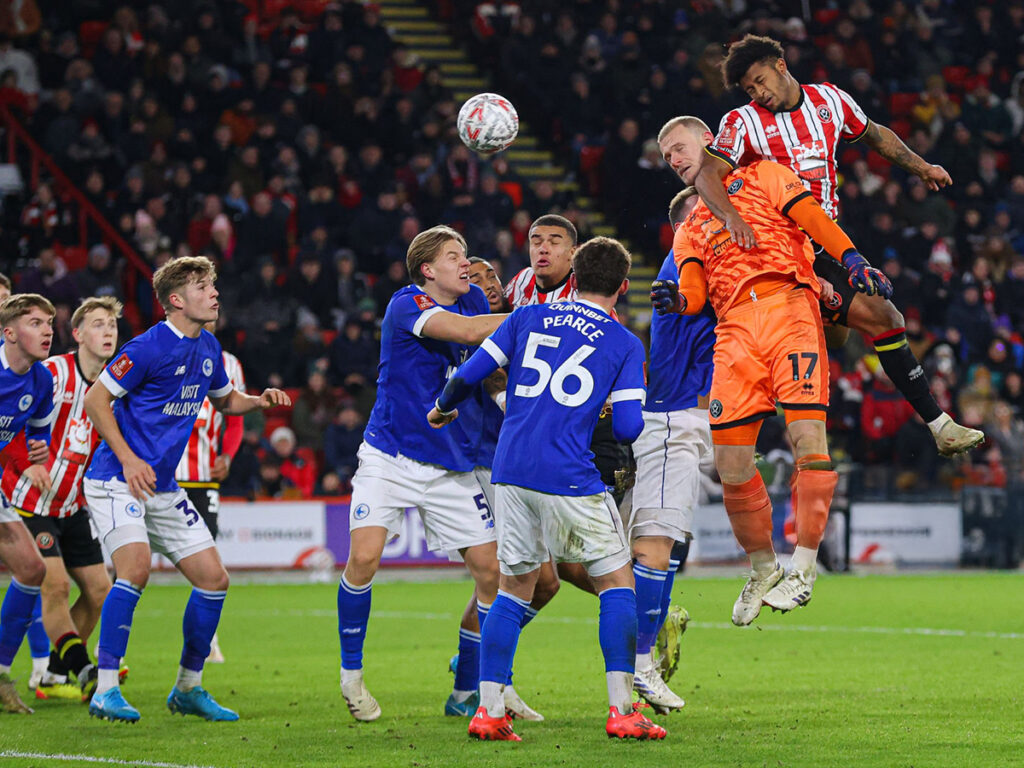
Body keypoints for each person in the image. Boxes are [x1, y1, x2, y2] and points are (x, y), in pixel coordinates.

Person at [693, 34, 982, 457]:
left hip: (825, 240)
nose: (759, 93)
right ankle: (938, 424)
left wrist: (922, 167)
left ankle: (937, 428)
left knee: (845, 335)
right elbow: (706, 174)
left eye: (760, 81)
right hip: (778, 249)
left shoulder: (831, 100)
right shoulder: (743, 121)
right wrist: (732, 218)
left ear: (780, 65)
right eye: (750, 89)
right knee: (878, 318)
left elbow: (876, 135)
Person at [428, 236, 665, 742]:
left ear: (574, 277)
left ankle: (488, 711)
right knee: (616, 584)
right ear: (623, 287)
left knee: (513, 588)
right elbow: (627, 428)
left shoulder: (526, 317)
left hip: (510, 471)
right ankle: (623, 710)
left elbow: (469, 374)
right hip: (570, 473)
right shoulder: (624, 343)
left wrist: (443, 406)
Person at [654, 116, 888, 622]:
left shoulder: (763, 175)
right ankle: (764, 568)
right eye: (666, 156)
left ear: (709, 141)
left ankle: (803, 568)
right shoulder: (688, 231)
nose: (673, 159)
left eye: (678, 147)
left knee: (808, 439)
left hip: (790, 310)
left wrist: (851, 258)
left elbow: (814, 219)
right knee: (731, 464)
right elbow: (694, 292)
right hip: (735, 332)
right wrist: (677, 300)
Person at [82, 256, 290, 723]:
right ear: (176, 300)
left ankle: (188, 688)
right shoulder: (147, 347)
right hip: (116, 478)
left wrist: (257, 401)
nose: (214, 293)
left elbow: (224, 400)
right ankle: (105, 688)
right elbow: (96, 399)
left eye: (213, 284)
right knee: (134, 569)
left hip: (161, 484)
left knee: (214, 580)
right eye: (202, 286)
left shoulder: (209, 346)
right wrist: (129, 459)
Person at [336, 226, 506, 723]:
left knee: (491, 573)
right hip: (390, 456)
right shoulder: (405, 303)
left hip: (450, 463)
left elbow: (488, 360)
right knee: (364, 557)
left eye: (465, 254)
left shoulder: (474, 299)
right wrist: (542, 316)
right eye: (454, 256)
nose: (465, 262)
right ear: (428, 270)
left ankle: (476, 692)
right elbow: (471, 334)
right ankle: (351, 674)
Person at [1, 297, 121, 702]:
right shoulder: (52, 372)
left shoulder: (113, 388)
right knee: (53, 585)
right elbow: (18, 426)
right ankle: (84, 670)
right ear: (79, 334)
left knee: (100, 591)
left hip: (71, 504)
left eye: (112, 325)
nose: (108, 332)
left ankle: (54, 673)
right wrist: (28, 464)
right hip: (31, 502)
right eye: (98, 324)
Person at [627, 187, 716, 713]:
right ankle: (641, 665)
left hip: (693, 418)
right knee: (652, 550)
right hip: (672, 419)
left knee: (668, 545)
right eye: (706, 211)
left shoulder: (705, 264)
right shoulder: (682, 264)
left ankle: (650, 642)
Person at [174, 320, 246, 664]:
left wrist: (227, 456)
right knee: (131, 561)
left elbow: (235, 419)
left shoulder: (229, 363)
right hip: (159, 478)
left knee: (209, 562)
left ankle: (207, 641)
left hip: (203, 479)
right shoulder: (161, 353)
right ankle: (107, 645)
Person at [0, 294, 57, 714]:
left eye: (49, 323)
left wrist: (39, 454)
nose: (47, 330)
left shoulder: (41, 381)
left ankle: (1, 674)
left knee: (32, 568)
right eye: (35, 323)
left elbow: (39, 434)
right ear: (9, 333)